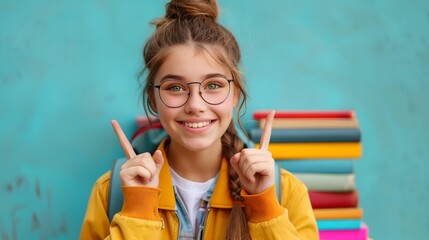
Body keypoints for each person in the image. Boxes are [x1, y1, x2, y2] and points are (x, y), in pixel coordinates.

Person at [80, 0, 318, 239]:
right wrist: (137, 212)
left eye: (213, 85)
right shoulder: (111, 191)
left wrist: (265, 208)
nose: (195, 105)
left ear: (235, 93)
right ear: (153, 98)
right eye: (175, 88)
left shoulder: (285, 192)